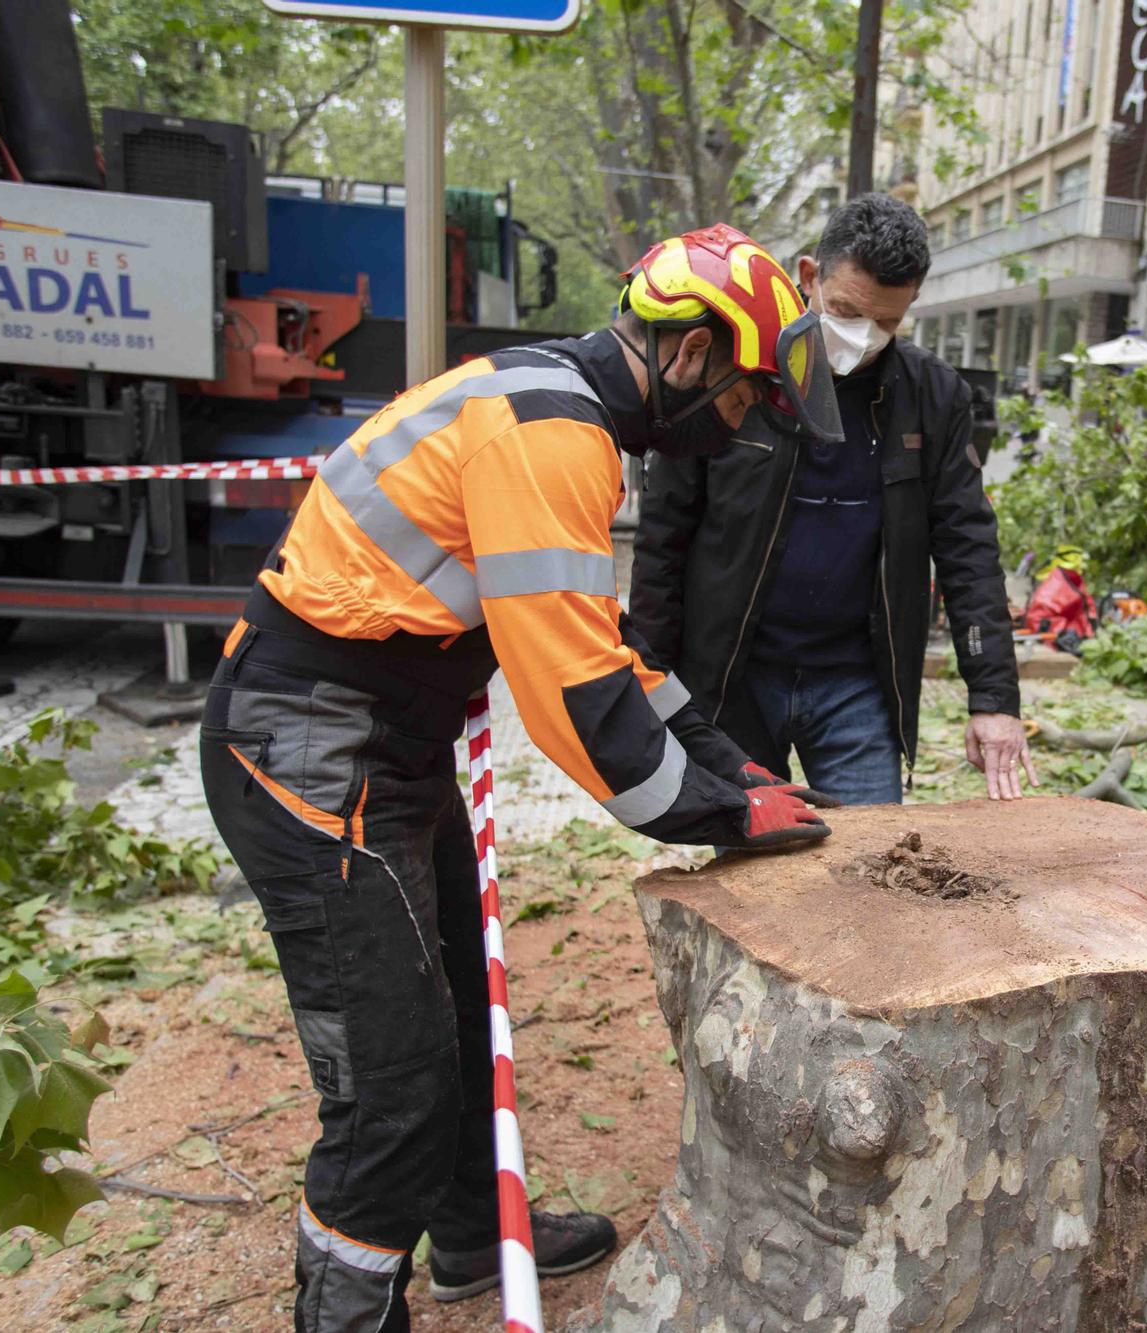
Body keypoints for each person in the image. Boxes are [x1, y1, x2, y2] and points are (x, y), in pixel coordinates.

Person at [198, 224, 843, 1333]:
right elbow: (571, 699)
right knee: (390, 1082)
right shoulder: (554, 433)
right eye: (740, 394)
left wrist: (725, 756)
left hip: (378, 739)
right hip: (310, 739)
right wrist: (719, 815)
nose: (738, 422)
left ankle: (467, 1236)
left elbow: (602, 648)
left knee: (451, 1009)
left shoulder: (559, 405)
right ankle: (346, 1313)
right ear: (686, 356)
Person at [631, 194, 1032, 805]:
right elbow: (664, 536)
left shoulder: (933, 397)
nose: (863, 337)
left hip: (858, 686)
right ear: (809, 276)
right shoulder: (741, 368)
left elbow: (968, 548)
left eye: (888, 324)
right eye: (845, 310)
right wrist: (653, 686)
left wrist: (994, 699)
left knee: (873, 869)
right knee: (752, 871)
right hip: (735, 675)